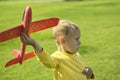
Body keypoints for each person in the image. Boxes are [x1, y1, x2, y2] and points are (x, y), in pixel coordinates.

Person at [20, 20, 94, 80]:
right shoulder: (57, 58)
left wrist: (89, 74)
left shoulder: (77, 55)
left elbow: (81, 74)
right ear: (63, 40)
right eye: (76, 39)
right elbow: (47, 61)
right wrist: (34, 44)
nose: (80, 42)